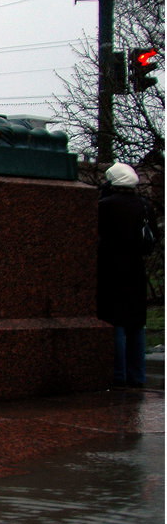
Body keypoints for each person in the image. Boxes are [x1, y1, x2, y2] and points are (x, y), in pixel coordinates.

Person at [97, 162, 158, 388]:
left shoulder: (105, 206)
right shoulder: (143, 205)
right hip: (136, 268)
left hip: (111, 268)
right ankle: (138, 375)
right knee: (136, 323)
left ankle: (119, 374)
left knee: (116, 322)